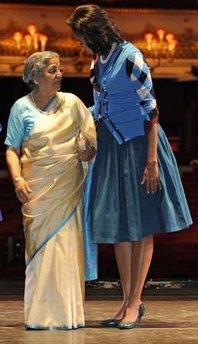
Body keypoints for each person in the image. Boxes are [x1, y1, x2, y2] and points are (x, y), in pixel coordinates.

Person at [67, 5, 193, 330]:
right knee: (120, 229)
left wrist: (152, 162)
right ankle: (126, 300)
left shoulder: (131, 56)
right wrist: (81, 130)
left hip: (140, 145)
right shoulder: (98, 62)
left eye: (82, 37)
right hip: (111, 147)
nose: (80, 44)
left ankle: (136, 300)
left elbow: (150, 110)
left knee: (141, 224)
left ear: (93, 32)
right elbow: (100, 107)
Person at [5, 51, 96, 330]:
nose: (59, 75)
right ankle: (38, 316)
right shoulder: (20, 108)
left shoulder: (73, 104)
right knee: (40, 252)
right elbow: (12, 148)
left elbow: (91, 140)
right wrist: (18, 180)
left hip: (68, 188)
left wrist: (87, 149)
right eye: (52, 70)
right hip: (37, 190)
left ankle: (69, 315)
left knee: (66, 248)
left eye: (59, 70)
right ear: (34, 77)